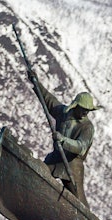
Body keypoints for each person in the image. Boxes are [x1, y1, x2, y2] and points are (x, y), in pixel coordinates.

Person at [28, 72, 100, 205]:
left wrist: (63, 140)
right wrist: (36, 82)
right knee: (38, 172)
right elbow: (49, 100)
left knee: (79, 202)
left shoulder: (87, 127)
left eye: (88, 110)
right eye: (83, 109)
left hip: (72, 165)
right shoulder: (64, 113)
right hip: (56, 158)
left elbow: (81, 147)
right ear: (76, 106)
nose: (85, 113)